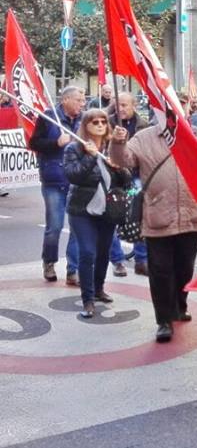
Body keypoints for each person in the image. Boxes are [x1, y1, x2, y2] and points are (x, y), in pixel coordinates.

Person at [110, 116, 197, 342]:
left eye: (182, 105)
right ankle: (164, 320)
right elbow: (122, 160)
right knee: (160, 271)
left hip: (191, 216)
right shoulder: (144, 137)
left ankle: (179, 305)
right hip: (158, 217)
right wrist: (118, 142)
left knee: (185, 268)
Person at [63, 109, 130, 318]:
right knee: (87, 252)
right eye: (95, 122)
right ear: (86, 126)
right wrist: (90, 157)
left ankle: (99, 288)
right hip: (82, 210)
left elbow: (127, 180)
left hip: (108, 210)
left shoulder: (111, 148)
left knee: (103, 252)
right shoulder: (75, 148)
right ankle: (88, 299)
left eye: (103, 121)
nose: (100, 125)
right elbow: (74, 176)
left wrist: (118, 168)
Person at [30, 86, 84, 284]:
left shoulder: (83, 119)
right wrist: (56, 143)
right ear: (65, 100)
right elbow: (34, 143)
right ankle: (49, 261)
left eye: (83, 100)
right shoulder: (48, 117)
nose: (82, 104)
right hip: (54, 180)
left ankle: (73, 270)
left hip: (77, 180)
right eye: (78, 100)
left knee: (77, 227)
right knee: (55, 226)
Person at [107, 92, 149, 277]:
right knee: (113, 217)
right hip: (113, 177)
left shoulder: (143, 125)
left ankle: (142, 259)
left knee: (139, 217)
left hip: (136, 176)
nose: (121, 109)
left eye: (124, 105)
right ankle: (117, 261)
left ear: (134, 105)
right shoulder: (106, 122)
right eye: (118, 105)